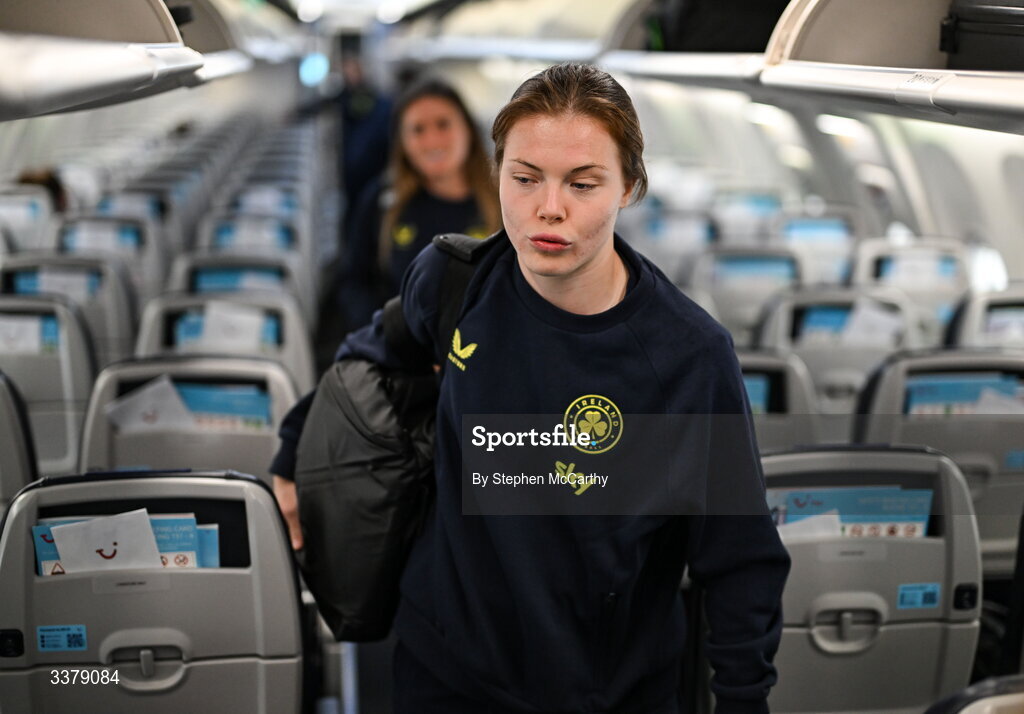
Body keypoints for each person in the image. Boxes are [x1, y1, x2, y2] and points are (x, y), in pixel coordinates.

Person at [274, 62, 789, 713]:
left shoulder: (687, 357)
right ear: (497, 176)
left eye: (583, 183)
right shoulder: (454, 284)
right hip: (446, 672)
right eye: (525, 179)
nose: (549, 207)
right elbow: (366, 361)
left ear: (629, 186)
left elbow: (738, 559)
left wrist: (744, 701)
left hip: (608, 689)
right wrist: (290, 455)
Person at [337, 77, 501, 330]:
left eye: (443, 124)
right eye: (418, 130)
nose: (432, 140)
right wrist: (387, 335)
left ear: (467, 129)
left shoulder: (503, 201)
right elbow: (354, 284)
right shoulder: (382, 202)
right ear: (402, 141)